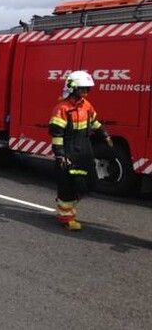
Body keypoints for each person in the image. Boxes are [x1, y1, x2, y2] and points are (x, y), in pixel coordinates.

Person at [48, 70, 113, 231]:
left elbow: (94, 122)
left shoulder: (87, 106)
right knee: (68, 185)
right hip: (69, 149)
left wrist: (104, 135)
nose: (85, 92)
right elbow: (57, 134)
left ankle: (66, 207)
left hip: (84, 147)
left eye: (87, 89)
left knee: (89, 182)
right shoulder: (62, 108)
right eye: (82, 88)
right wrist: (60, 155)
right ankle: (66, 217)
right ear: (72, 88)